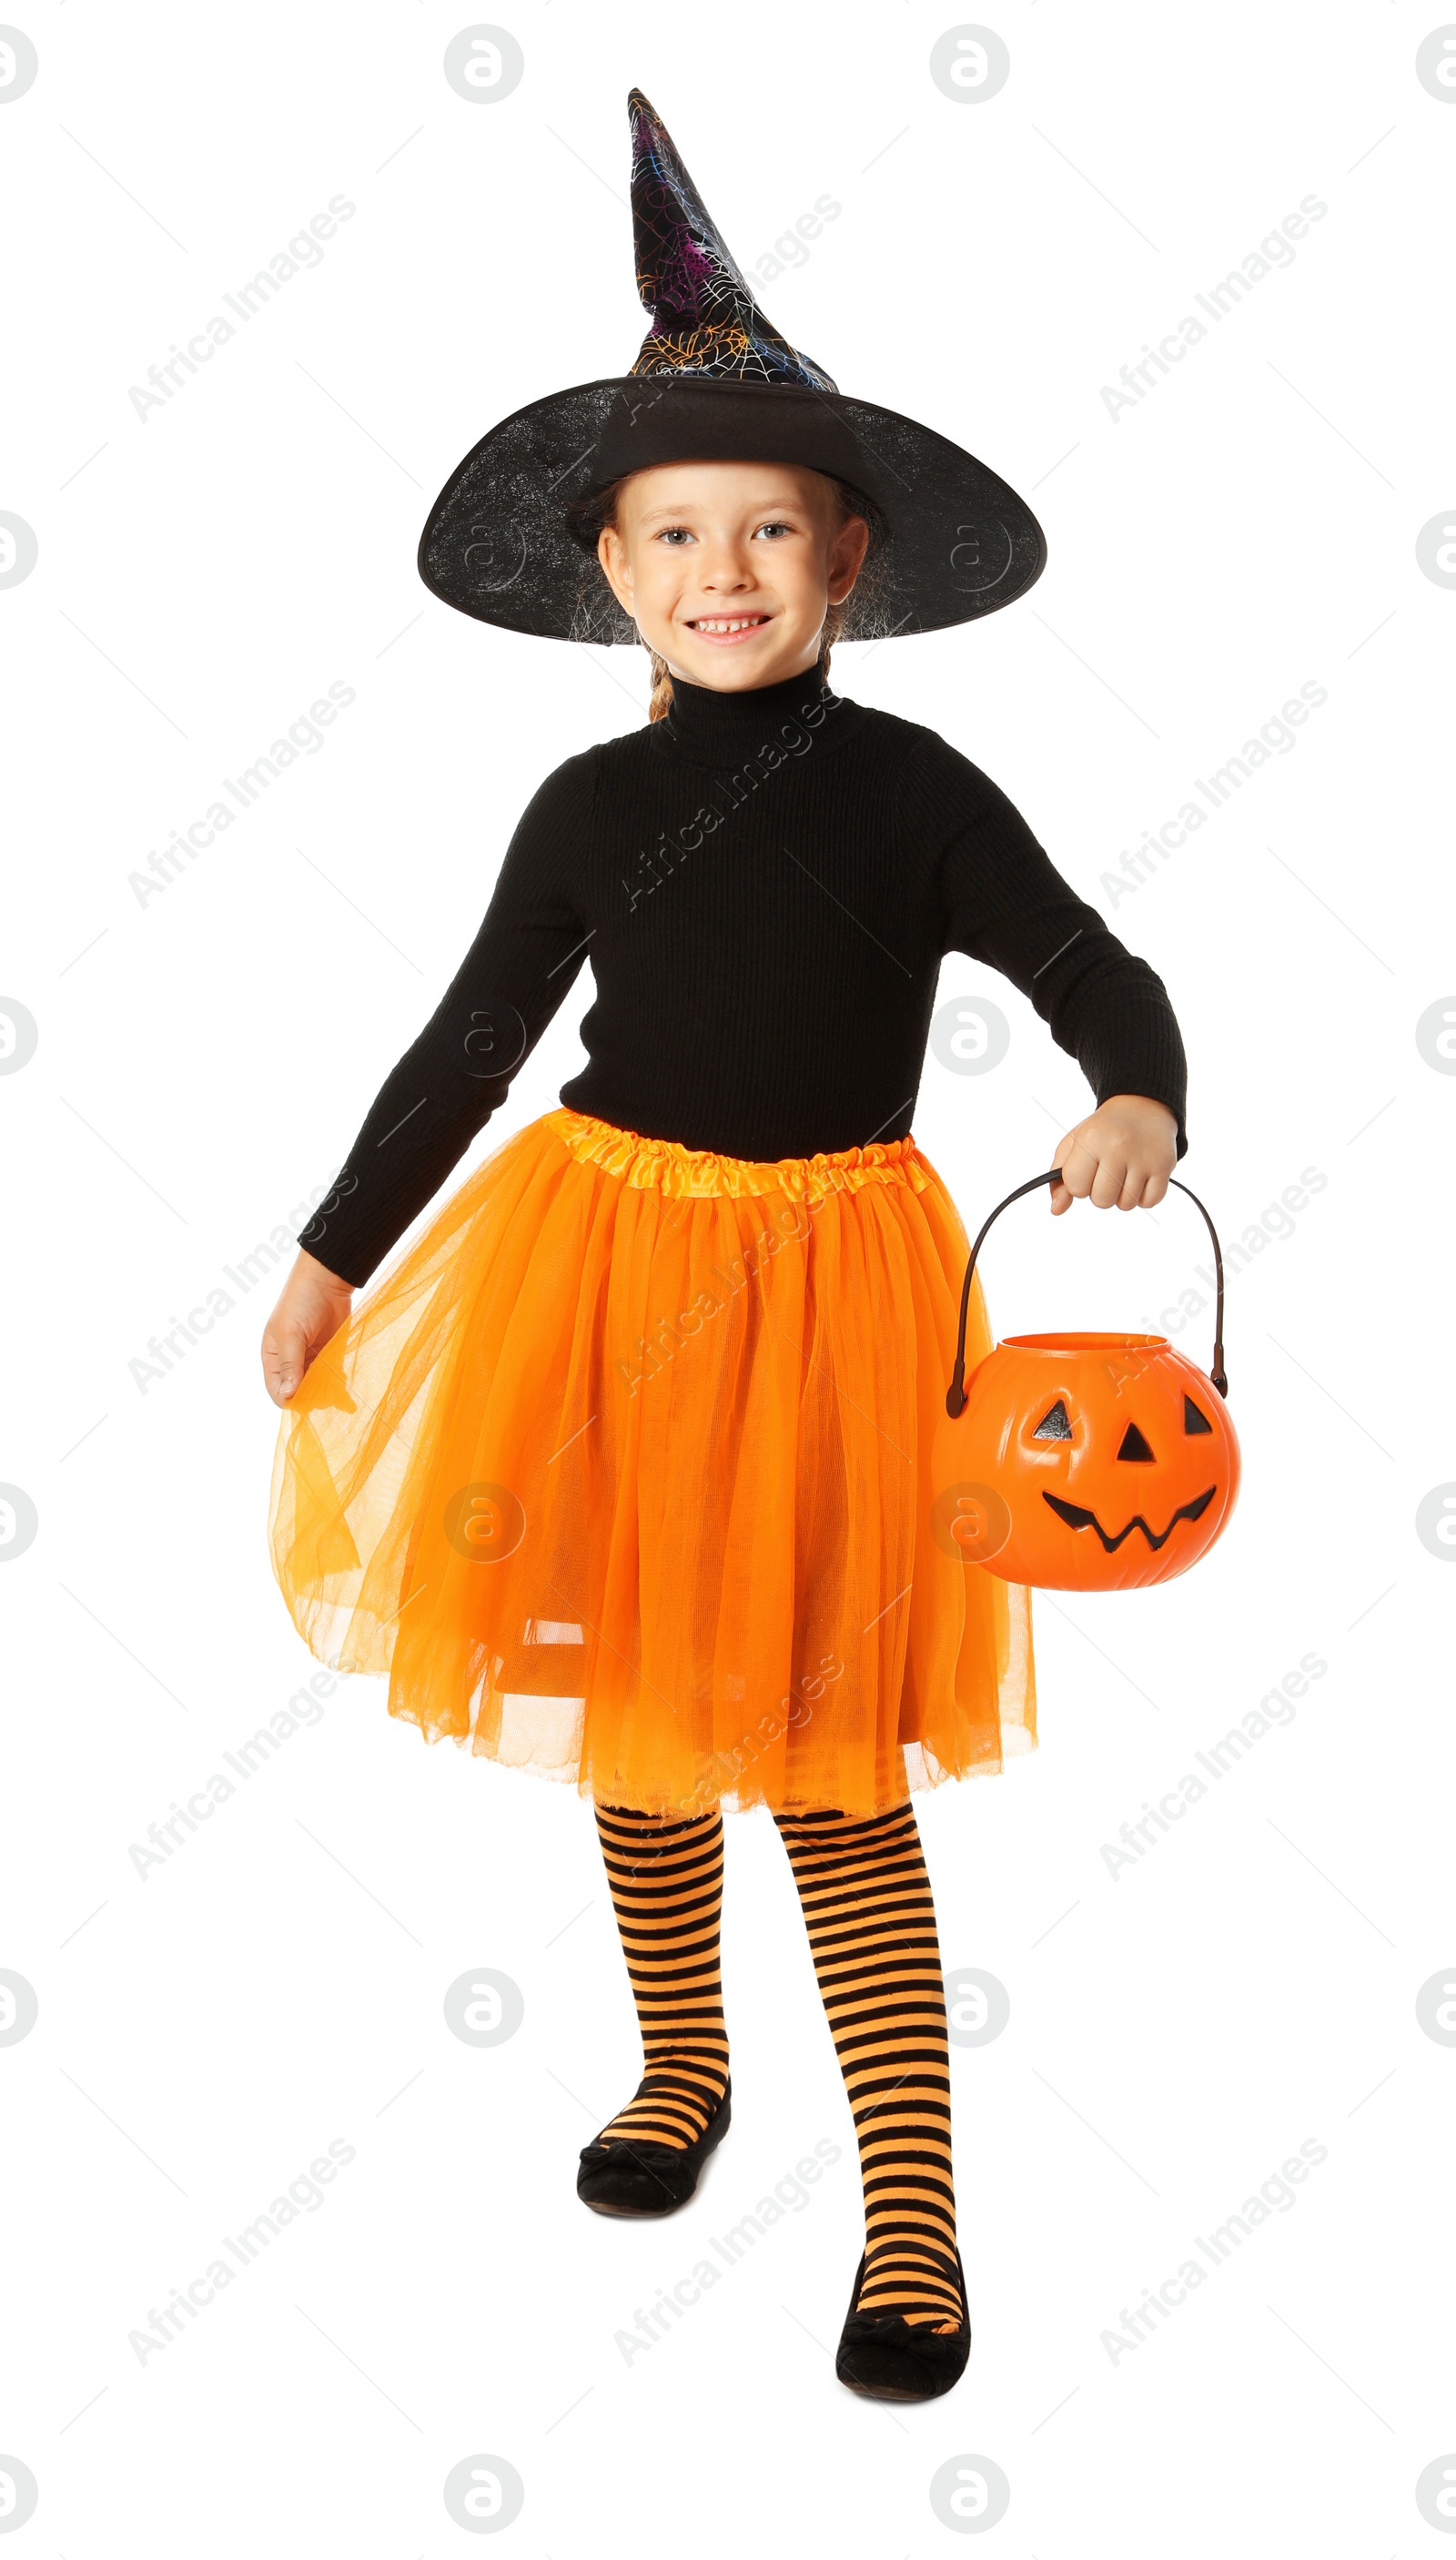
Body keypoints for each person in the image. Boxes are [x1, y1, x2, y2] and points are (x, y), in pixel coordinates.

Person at [261, 91, 1186, 2403]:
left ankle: (909, 2212)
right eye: (675, 535)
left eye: (769, 529)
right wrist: (334, 1252)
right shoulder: (585, 803)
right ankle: (680, 2062)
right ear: (612, 570)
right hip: (606, 1274)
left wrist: (1133, 1096)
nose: (726, 571)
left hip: (838, 1299)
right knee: (642, 1726)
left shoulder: (917, 795)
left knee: (834, 1759)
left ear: (848, 557)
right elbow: (467, 1040)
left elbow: (1088, 965)